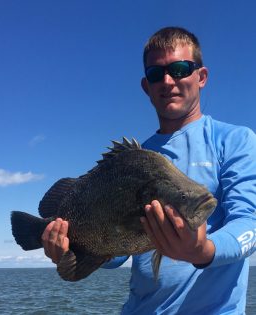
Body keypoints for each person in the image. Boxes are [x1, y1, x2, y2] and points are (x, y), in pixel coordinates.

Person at [41, 27, 256, 314]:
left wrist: (201, 251)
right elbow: (117, 254)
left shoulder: (235, 141)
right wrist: (70, 247)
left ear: (201, 77)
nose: (168, 81)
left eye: (180, 69)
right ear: (146, 86)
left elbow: (250, 223)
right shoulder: (137, 159)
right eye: (157, 74)